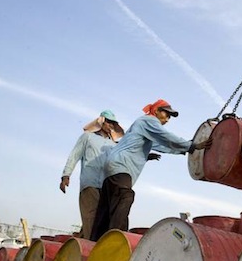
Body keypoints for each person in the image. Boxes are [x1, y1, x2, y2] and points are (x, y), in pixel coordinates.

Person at [90, 99, 212, 240]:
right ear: (156, 111)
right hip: (121, 166)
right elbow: (165, 137)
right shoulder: (149, 120)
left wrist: (184, 149)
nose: (167, 119)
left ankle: (94, 242)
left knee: (105, 209)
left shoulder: (143, 125)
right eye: (166, 114)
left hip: (112, 167)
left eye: (170, 117)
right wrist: (191, 146)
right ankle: (116, 238)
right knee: (125, 196)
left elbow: (161, 145)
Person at [60, 110, 125, 239]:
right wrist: (66, 175)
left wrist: (145, 156)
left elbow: (126, 156)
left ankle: (81, 246)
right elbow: (74, 155)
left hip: (106, 186)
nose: (111, 126)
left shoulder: (114, 145)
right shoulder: (88, 137)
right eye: (109, 123)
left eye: (113, 124)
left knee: (100, 220)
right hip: (90, 183)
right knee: (92, 217)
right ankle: (92, 249)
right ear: (101, 122)